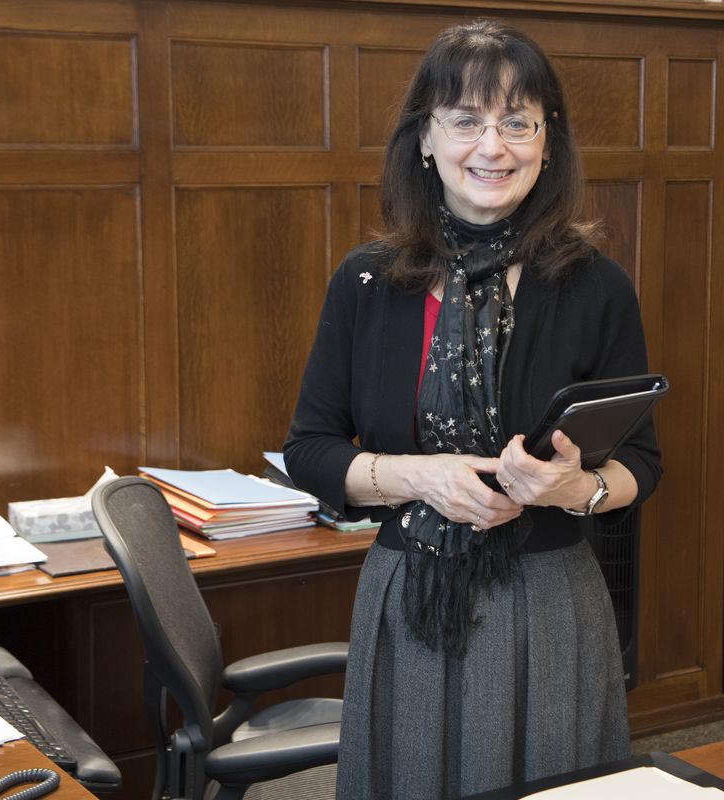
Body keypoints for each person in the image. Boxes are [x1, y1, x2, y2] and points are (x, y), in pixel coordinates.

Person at [283, 19, 662, 799]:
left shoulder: (596, 285)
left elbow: (642, 465)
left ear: (547, 143)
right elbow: (311, 451)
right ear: (425, 138)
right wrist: (421, 478)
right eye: (466, 121)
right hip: (411, 600)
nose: (494, 147)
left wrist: (575, 489)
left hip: (550, 599)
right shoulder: (367, 282)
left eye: (518, 122)